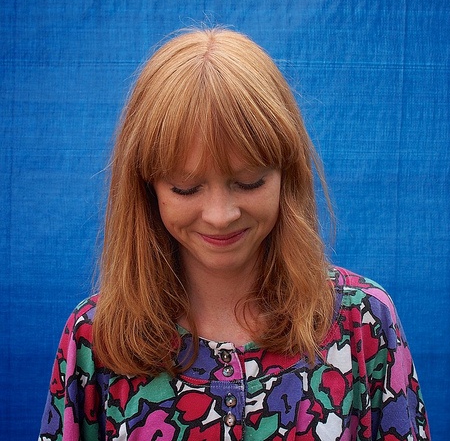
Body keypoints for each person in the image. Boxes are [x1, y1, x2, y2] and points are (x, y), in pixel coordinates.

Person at [38, 27, 430, 441]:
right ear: (146, 187)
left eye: (249, 182)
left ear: (287, 174)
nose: (220, 215)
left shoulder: (363, 324)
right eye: (186, 188)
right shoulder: (97, 340)